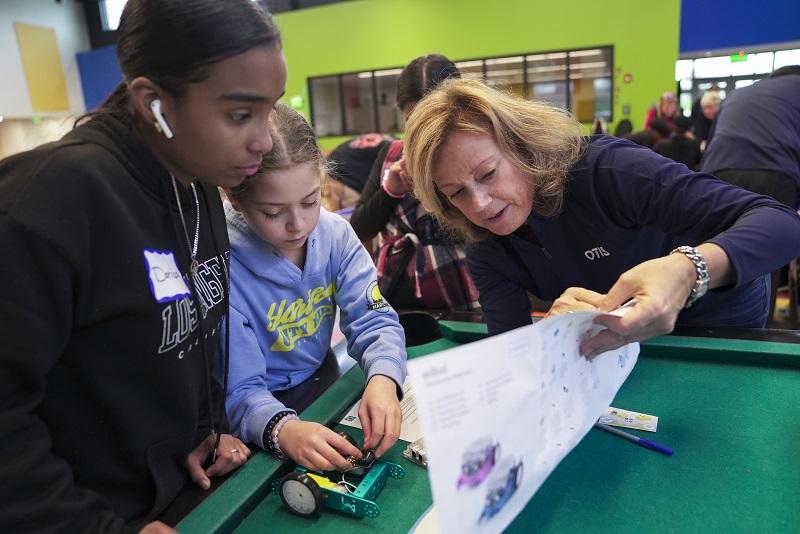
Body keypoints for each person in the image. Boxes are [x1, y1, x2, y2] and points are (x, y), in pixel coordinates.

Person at [0, 1, 286, 532]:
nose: (265, 140)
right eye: (240, 114)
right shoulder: (47, 203)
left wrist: (209, 427)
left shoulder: (198, 181)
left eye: (270, 110)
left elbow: (193, 333)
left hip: (183, 494)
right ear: (154, 103)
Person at [403, 78, 800, 358]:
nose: (481, 205)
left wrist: (687, 270)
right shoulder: (484, 245)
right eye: (456, 194)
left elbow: (780, 223)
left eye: (488, 174)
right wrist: (550, 339)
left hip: (717, 319)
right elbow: (513, 349)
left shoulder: (607, 169)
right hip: (624, 346)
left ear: (523, 148)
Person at [221, 104, 407, 471]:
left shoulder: (335, 233)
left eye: (311, 201)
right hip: (254, 416)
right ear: (234, 198)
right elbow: (239, 389)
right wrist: (283, 429)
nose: (298, 225)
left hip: (320, 380)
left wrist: (384, 378)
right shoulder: (223, 264)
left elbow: (374, 321)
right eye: (273, 212)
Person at [350, 54, 480, 311]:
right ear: (401, 114)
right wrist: (391, 191)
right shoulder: (392, 154)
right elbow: (359, 229)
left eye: (431, 119)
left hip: (462, 295)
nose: (422, 132)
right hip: (396, 292)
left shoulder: (473, 151)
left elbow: (482, 230)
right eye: (412, 120)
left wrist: (435, 191)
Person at [701, 66, 800, 319]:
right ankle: (760, 336)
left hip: (717, 170)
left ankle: (717, 332)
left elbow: (713, 142)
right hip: (775, 172)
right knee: (769, 251)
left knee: (720, 248)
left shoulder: (739, 93)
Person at [322, 133, 394, 213]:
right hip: (342, 172)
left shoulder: (392, 145)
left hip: (336, 163)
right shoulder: (396, 146)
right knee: (355, 213)